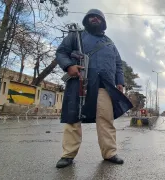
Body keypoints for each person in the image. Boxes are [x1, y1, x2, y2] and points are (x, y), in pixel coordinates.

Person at [55, 9, 133, 168]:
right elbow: (61, 52)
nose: (95, 19)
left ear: (103, 22)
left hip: (104, 85)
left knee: (106, 119)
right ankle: (68, 155)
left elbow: (118, 64)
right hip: (79, 81)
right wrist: (69, 65)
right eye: (91, 16)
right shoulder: (75, 36)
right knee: (73, 118)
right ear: (86, 20)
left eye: (98, 17)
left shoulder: (110, 43)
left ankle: (109, 153)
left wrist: (120, 82)